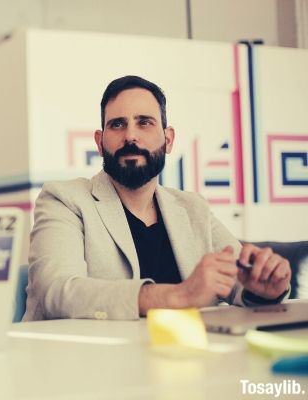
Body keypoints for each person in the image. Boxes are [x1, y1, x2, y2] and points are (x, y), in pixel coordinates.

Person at [23, 75, 291, 321]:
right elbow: (57, 292)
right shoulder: (64, 199)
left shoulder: (192, 208)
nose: (130, 136)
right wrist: (178, 296)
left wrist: (263, 286)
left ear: (168, 139)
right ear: (100, 142)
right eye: (117, 125)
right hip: (88, 365)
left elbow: (237, 281)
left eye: (144, 122)